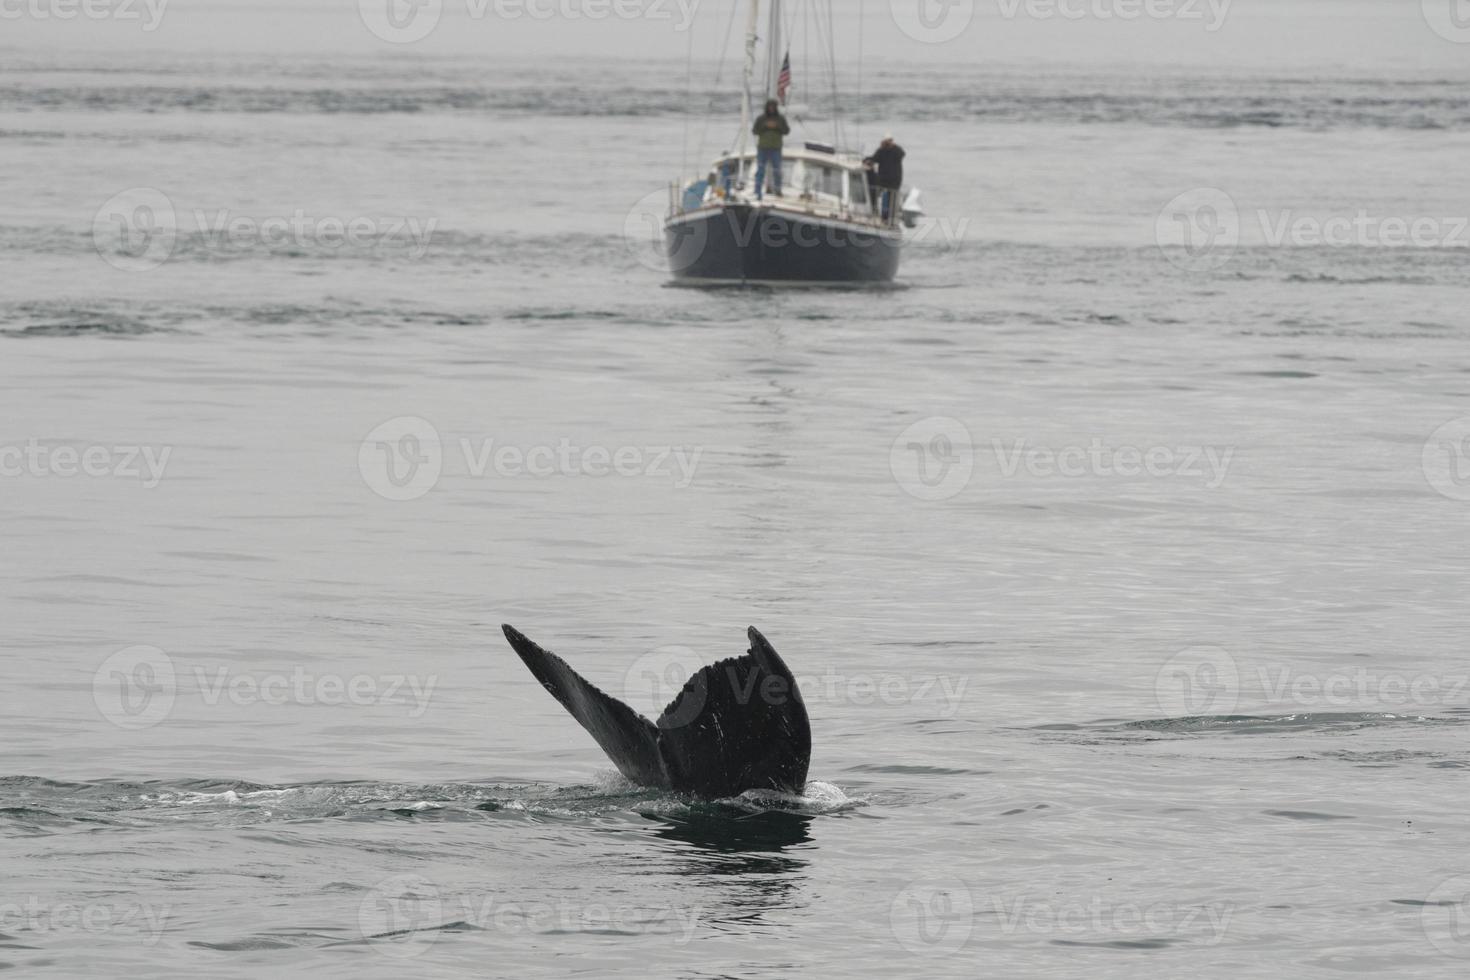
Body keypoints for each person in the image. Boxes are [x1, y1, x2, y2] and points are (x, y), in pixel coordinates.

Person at [752, 99, 790, 201]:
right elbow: (755, 131)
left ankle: (777, 189)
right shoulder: (761, 119)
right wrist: (765, 126)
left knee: (777, 170)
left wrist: (777, 127)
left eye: (773, 107)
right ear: (767, 107)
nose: (771, 109)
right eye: (770, 107)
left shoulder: (780, 119)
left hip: (776, 148)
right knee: (760, 170)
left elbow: (786, 131)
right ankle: (757, 189)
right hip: (763, 148)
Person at [863, 134, 905, 221]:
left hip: (894, 180)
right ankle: (874, 210)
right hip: (882, 179)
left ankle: (889, 217)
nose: (887, 143)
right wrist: (867, 160)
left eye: (888, 141)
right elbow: (874, 158)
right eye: (885, 142)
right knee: (874, 192)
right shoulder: (881, 150)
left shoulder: (897, 151)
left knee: (891, 199)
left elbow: (902, 154)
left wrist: (893, 145)